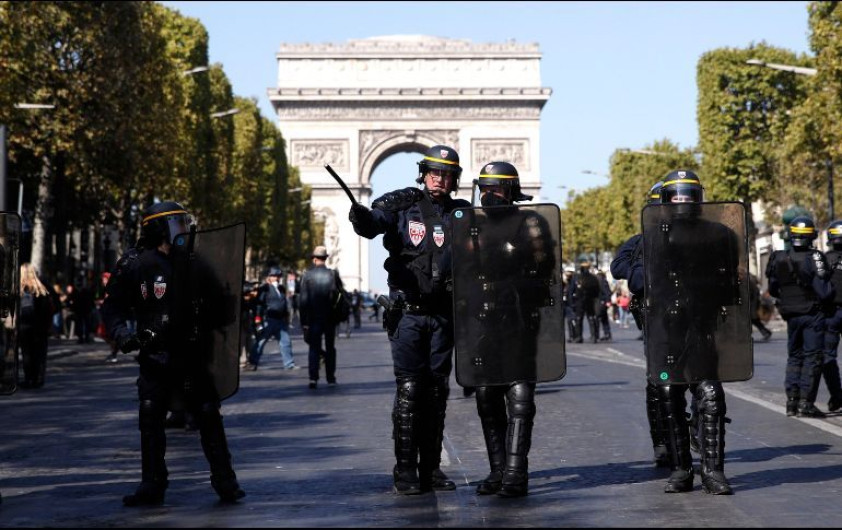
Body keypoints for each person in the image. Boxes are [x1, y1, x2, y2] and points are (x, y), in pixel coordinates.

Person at [101, 200, 245, 506]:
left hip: (192, 354)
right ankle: (151, 485)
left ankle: (225, 481)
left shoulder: (195, 261)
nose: (184, 228)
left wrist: (218, 315)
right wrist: (122, 333)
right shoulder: (134, 264)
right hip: (156, 356)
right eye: (177, 223)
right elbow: (112, 306)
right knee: (151, 419)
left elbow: (220, 301)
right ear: (157, 228)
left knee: (208, 415)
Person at [348, 144, 470, 494]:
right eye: (435, 172)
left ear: (454, 180)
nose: (440, 179)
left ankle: (430, 469)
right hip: (409, 314)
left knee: (437, 391)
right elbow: (373, 225)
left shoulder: (462, 214)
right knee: (410, 390)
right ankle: (405, 470)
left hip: (443, 316)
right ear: (423, 173)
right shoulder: (402, 206)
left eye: (447, 174)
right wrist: (361, 216)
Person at [614, 171, 741, 494]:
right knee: (669, 395)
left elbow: (730, 283)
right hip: (665, 327)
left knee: (710, 394)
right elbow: (637, 280)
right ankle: (680, 469)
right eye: (676, 197)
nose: (682, 203)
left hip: (701, 325)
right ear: (666, 202)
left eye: (688, 196)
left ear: (698, 199)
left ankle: (713, 472)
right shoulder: (650, 238)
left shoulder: (719, 235)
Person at [461, 161, 557, 497]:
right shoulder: (471, 224)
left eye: (497, 187)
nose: (490, 194)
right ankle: (498, 470)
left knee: (519, 393)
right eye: (485, 187)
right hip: (482, 320)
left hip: (518, 315)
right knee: (487, 395)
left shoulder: (532, 222)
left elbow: (545, 265)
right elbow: (458, 269)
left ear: (512, 189)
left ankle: (516, 472)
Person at [610, 179, 670, 469]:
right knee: (657, 383)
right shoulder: (640, 241)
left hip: (691, 319)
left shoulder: (698, 237)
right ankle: (661, 442)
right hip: (655, 319)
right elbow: (618, 268)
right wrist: (641, 262)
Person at [766, 215, 835, 418]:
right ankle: (806, 402)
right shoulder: (814, 258)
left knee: (794, 357)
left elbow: (773, 288)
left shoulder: (778, 257)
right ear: (811, 236)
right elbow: (824, 292)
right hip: (812, 313)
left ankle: (792, 402)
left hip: (790, 314)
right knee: (812, 358)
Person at [299, 246, 343, 389]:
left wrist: (304, 322)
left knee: (314, 348)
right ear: (326, 258)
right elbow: (340, 295)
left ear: (314, 258)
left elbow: (303, 301)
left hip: (313, 318)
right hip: (330, 317)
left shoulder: (307, 275)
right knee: (330, 348)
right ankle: (330, 378)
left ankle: (313, 378)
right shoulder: (333, 274)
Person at [246, 267, 298, 371]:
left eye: (278, 276)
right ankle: (252, 362)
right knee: (261, 342)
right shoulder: (265, 288)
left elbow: (284, 303)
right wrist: (258, 319)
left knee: (286, 341)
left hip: (280, 320)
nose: (277, 278)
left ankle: (289, 364)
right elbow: (259, 304)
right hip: (269, 319)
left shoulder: (281, 288)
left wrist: (287, 317)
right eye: (274, 276)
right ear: (269, 277)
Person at [18, 263, 53, 389]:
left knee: (27, 353)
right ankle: (39, 378)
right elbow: (53, 307)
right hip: (40, 327)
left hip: (24, 326)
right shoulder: (42, 289)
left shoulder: (19, 290)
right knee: (40, 353)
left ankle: (29, 378)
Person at [822, 219, 842, 412]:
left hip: (831, 313)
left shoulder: (825, 259)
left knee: (828, 356)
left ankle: (837, 395)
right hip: (831, 312)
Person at [567, 256, 601, 343]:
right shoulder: (592, 278)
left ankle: (580, 337)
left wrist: (571, 303)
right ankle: (593, 336)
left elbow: (571, 291)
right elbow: (597, 291)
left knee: (581, 319)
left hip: (582, 301)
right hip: (587, 301)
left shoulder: (577, 278)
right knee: (589, 318)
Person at [748, 273, 773, 342]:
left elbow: (755, 294)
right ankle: (766, 332)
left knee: (753, 320)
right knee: (754, 321)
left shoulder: (749, 281)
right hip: (751, 304)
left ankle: (765, 332)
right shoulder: (749, 280)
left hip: (752, 304)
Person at [596, 271, 613, 342]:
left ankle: (598, 335)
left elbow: (607, 292)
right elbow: (608, 292)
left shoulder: (601, 282)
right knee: (604, 319)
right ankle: (607, 334)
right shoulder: (604, 281)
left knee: (598, 318)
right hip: (603, 302)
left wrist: (607, 301)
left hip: (601, 303)